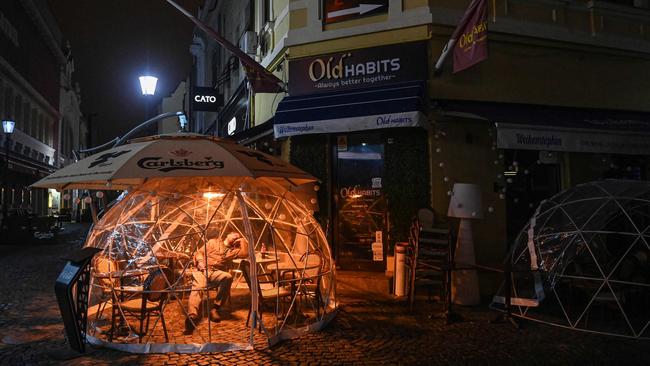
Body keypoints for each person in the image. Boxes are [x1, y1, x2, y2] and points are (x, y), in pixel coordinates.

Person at [185, 231, 248, 334]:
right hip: (202, 270)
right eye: (234, 234)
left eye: (238, 237)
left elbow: (245, 254)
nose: (236, 237)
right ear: (228, 234)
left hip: (215, 273)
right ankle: (192, 316)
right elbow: (199, 253)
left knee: (227, 277)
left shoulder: (233, 251)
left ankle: (215, 308)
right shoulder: (212, 242)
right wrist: (200, 262)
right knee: (199, 287)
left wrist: (242, 240)